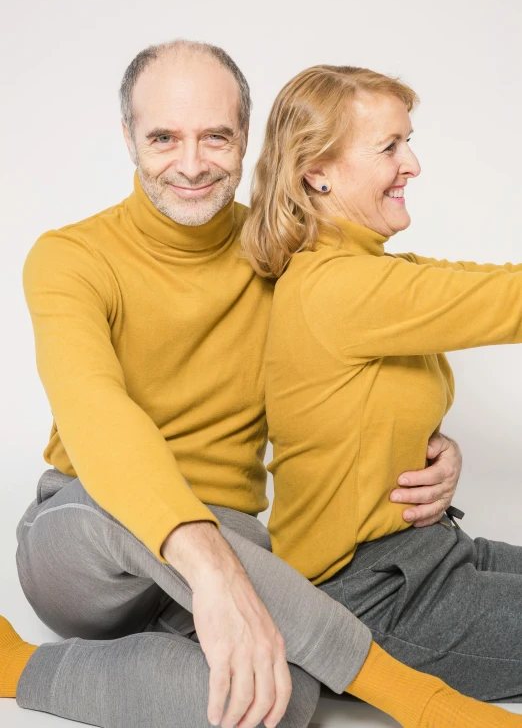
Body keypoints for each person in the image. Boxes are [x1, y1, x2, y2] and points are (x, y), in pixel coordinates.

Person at [0, 40, 513, 728]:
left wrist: (426, 445)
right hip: (88, 544)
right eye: (163, 137)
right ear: (128, 137)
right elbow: (98, 417)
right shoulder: (71, 258)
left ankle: (35, 667)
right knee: (113, 496)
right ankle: (414, 699)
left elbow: (339, 381)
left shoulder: (276, 256)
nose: (190, 163)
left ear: (246, 136)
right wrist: (210, 569)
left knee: (281, 700)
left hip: (235, 546)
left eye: (215, 136)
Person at [242, 62, 522, 705]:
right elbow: (508, 299)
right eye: (389, 147)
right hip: (370, 599)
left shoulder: (361, 270)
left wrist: (436, 448)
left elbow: (473, 285)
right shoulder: (340, 285)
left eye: (408, 139)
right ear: (317, 170)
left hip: (430, 556)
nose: (414, 163)